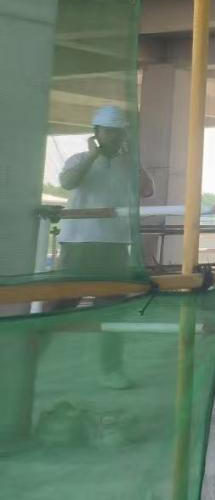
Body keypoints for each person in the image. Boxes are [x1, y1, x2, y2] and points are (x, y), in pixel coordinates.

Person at [56, 105, 155, 388]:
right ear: (96, 133)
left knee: (112, 310)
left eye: (119, 132)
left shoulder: (128, 164)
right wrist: (92, 155)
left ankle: (111, 370)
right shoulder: (79, 159)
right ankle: (33, 358)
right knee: (59, 304)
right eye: (109, 132)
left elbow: (148, 190)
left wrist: (133, 159)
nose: (115, 137)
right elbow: (67, 182)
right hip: (78, 243)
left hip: (114, 245)